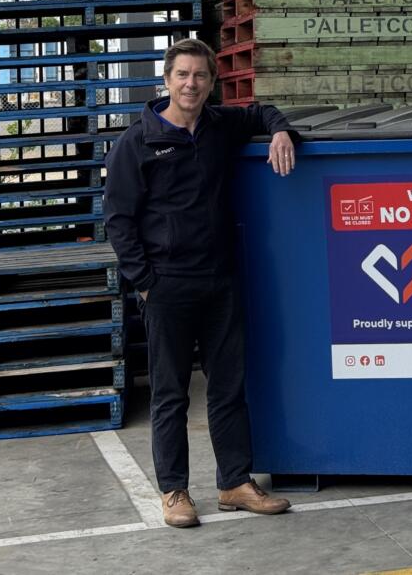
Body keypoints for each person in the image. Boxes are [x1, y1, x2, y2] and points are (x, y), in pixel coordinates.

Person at [104, 38, 298, 528]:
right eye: (183, 75)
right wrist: (145, 282)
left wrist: (280, 131)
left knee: (228, 389)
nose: (191, 84)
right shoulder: (138, 142)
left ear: (212, 83)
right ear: (166, 80)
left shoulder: (218, 126)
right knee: (170, 394)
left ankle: (235, 482)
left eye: (200, 76)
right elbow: (118, 221)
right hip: (167, 285)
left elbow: (261, 112)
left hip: (219, 280)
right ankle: (174, 491)